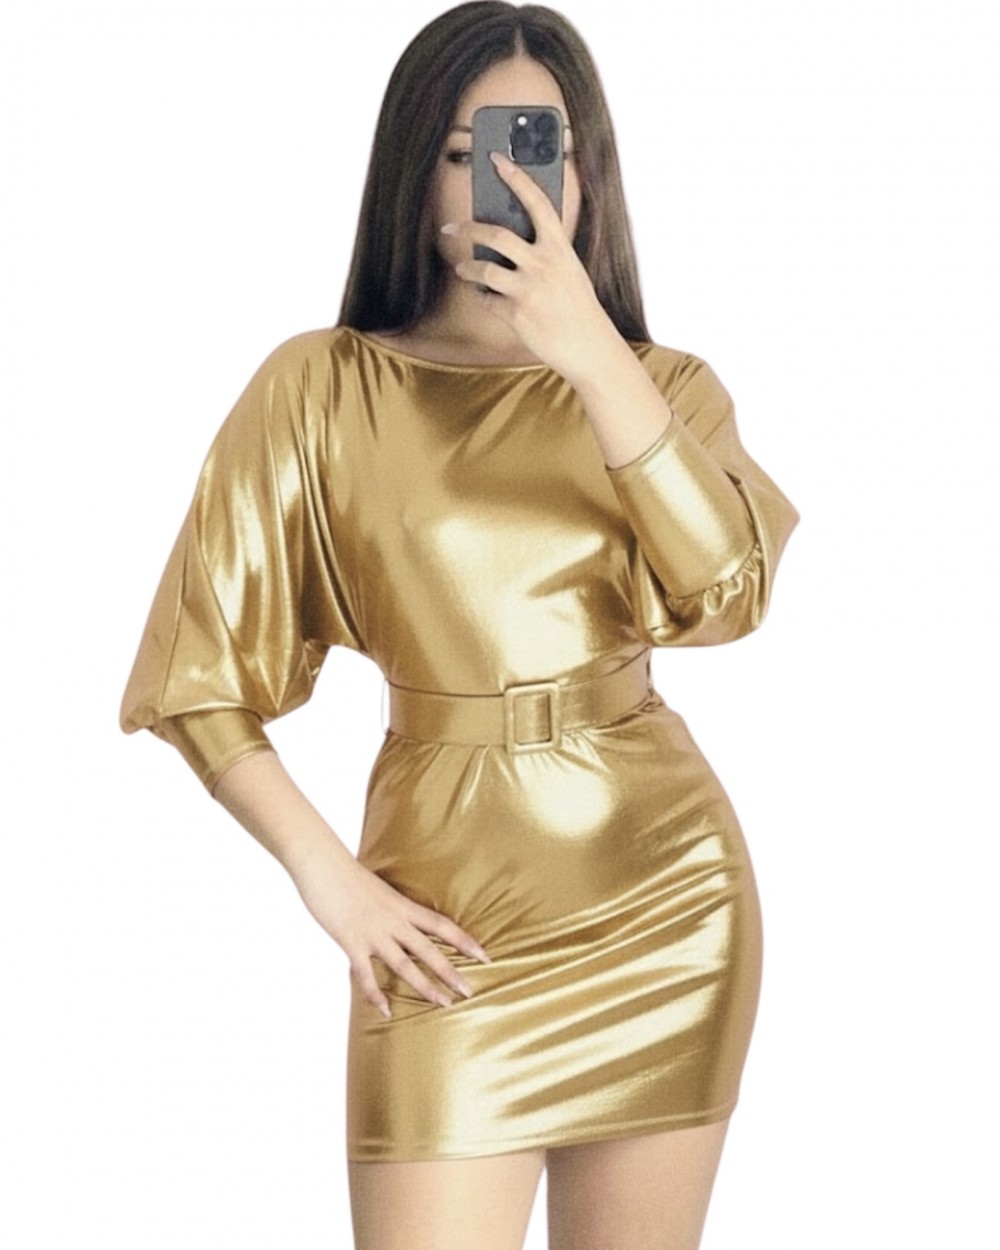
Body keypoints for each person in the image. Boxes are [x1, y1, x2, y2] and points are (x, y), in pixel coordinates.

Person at [120, 3, 799, 1247]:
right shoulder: (321, 387)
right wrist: (331, 882)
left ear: (587, 172)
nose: (509, 182)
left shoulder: (665, 387)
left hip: (664, 898)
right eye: (466, 150)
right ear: (415, 173)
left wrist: (589, 354)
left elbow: (728, 596)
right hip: (441, 921)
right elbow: (196, 679)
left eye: (545, 146)